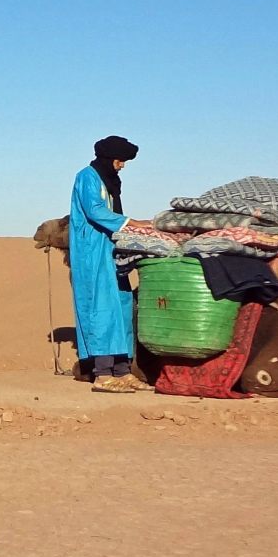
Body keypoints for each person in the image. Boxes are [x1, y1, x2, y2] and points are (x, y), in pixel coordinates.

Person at [70, 135, 156, 394]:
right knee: (102, 308)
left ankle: (123, 371)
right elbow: (95, 211)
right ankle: (103, 374)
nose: (122, 166)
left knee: (121, 305)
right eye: (120, 161)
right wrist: (132, 223)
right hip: (92, 250)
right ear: (110, 158)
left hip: (112, 250)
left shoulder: (109, 182)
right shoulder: (88, 176)